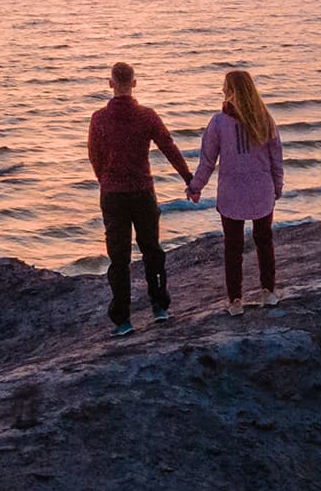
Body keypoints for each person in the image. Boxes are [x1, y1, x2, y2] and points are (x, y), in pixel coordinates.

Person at [88, 61, 193, 335]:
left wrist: (105, 180)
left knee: (119, 258)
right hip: (143, 192)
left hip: (113, 194)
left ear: (111, 84)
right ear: (134, 83)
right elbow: (169, 147)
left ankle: (123, 320)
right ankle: (159, 307)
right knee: (152, 250)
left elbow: (94, 156)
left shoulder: (99, 118)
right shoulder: (147, 115)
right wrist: (189, 178)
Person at [187, 69, 284, 315]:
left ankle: (235, 301)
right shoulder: (265, 118)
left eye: (224, 86)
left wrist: (195, 187)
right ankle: (269, 292)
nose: (221, 89)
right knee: (264, 241)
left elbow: (207, 161)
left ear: (229, 91)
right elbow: (276, 158)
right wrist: (278, 185)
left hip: (232, 192)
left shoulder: (219, 122)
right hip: (261, 189)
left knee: (233, 247)